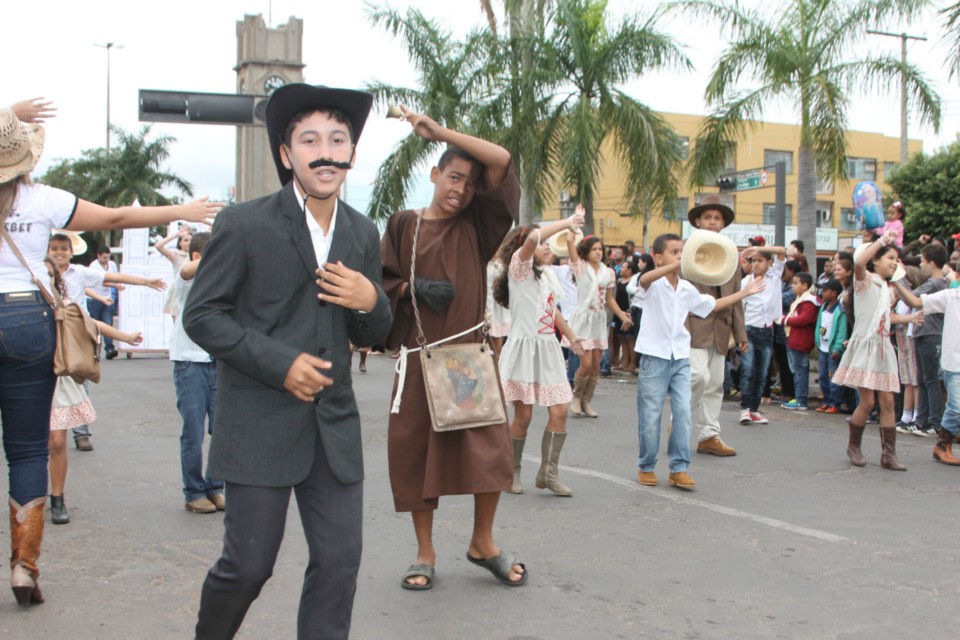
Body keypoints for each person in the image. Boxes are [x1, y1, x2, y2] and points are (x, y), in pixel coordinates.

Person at [184, 84, 392, 638]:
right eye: (310, 140)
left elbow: (374, 331)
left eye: (338, 139)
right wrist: (280, 364)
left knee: (339, 564)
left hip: (335, 428)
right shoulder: (244, 224)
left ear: (350, 153)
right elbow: (202, 316)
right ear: (286, 154)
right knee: (247, 566)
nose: (325, 152)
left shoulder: (362, 231)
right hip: (259, 422)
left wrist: (371, 301)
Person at [0, 97, 218, 607]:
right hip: (28, 320)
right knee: (29, 449)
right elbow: (119, 214)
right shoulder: (43, 201)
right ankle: (24, 566)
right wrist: (181, 212)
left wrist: (11, 110)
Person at [380, 108, 525, 591]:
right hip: (420, 360)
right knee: (416, 456)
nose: (461, 189)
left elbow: (502, 159)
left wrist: (438, 131)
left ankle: (483, 542)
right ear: (435, 174)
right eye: (454, 177)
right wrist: (411, 289)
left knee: (491, 452)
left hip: (468, 357)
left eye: (469, 183)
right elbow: (381, 283)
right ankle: (424, 553)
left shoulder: (478, 225)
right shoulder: (403, 224)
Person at [635, 234, 765, 490]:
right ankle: (646, 466)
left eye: (682, 252)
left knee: (683, 414)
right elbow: (645, 279)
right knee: (650, 416)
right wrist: (676, 266)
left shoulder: (686, 288)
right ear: (658, 257)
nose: (680, 256)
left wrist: (744, 292)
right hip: (654, 357)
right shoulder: (653, 284)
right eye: (674, 252)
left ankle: (679, 468)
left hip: (680, 357)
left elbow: (712, 305)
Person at [43, 257, 142, 526]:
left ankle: (57, 498)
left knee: (58, 442)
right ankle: (28, 497)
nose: (49, 280)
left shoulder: (66, 307)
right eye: (44, 275)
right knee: (30, 447)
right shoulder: (18, 305)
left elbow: (93, 325)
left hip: (58, 380)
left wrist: (126, 337)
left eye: (52, 276)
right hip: (24, 380)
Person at [47, 232, 167, 452]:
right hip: (46, 336)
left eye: (64, 249)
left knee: (78, 378)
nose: (59, 253)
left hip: (75, 331)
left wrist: (145, 281)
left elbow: (113, 279)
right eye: (54, 248)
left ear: (71, 252)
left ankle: (81, 432)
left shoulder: (79, 273)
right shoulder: (38, 274)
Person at [496, 214, 586, 497]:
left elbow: (553, 310)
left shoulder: (547, 274)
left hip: (549, 350)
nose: (547, 247)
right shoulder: (518, 270)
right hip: (524, 349)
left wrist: (571, 337)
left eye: (549, 244)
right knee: (523, 415)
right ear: (522, 248)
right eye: (542, 244)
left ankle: (548, 474)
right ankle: (511, 471)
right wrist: (567, 221)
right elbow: (532, 237)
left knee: (560, 410)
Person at [832, 229, 906, 470]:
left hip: (884, 348)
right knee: (867, 403)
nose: (894, 263)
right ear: (876, 260)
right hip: (866, 348)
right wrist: (882, 240)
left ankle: (889, 455)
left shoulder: (889, 288)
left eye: (896, 259)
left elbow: (884, 318)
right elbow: (858, 261)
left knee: (888, 402)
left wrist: (910, 317)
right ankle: (853, 447)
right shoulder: (864, 280)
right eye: (890, 258)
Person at [684, 195, 746, 458]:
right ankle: (679, 426)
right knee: (697, 376)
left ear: (723, 223)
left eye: (717, 218)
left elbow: (737, 295)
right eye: (707, 217)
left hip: (722, 328)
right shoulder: (688, 249)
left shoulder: (731, 253)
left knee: (716, 384)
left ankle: (709, 435)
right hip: (692, 326)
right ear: (698, 220)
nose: (712, 222)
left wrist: (740, 333)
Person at [167, 232, 223, 514]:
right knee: (193, 431)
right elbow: (187, 268)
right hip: (189, 361)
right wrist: (219, 257)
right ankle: (193, 491)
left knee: (222, 428)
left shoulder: (221, 281)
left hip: (217, 360)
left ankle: (216, 487)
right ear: (200, 256)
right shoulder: (187, 277)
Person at [567, 208, 633, 418]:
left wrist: (622, 315)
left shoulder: (609, 272)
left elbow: (609, 299)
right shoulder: (579, 267)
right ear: (586, 251)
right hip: (582, 320)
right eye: (594, 249)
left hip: (598, 320)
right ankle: (576, 396)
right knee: (585, 363)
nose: (598, 252)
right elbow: (570, 243)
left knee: (595, 365)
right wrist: (576, 222)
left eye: (600, 249)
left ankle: (587, 401)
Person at [894, 264, 960, 465]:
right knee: (956, 407)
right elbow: (914, 300)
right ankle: (942, 445)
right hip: (955, 362)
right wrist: (896, 278)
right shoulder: (950, 296)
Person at [900, 244, 948, 438]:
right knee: (922, 378)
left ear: (932, 263)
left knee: (930, 380)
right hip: (923, 333)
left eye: (923, 261)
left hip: (931, 334)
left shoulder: (936, 284)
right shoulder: (934, 283)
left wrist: (898, 279)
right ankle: (922, 421)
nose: (921, 265)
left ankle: (934, 423)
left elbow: (912, 299)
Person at [737, 245, 786, 426]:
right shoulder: (745, 282)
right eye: (753, 261)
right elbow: (739, 309)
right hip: (749, 329)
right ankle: (745, 409)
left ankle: (754, 409)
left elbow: (782, 250)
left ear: (769, 262)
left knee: (762, 372)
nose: (755, 264)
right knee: (748, 369)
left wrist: (758, 247)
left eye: (759, 260)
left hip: (767, 330)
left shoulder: (774, 277)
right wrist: (739, 334)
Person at [778, 272, 820, 410]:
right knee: (795, 370)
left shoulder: (809, 301)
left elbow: (804, 319)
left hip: (800, 339)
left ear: (805, 285)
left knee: (800, 369)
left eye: (796, 283)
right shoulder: (799, 299)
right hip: (792, 338)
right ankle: (798, 397)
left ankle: (801, 400)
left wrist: (784, 319)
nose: (792, 286)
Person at [814, 279, 847, 414]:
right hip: (823, 347)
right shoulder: (823, 307)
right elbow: (819, 325)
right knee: (822, 376)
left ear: (834, 293)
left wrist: (837, 348)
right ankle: (826, 401)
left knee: (833, 376)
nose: (822, 292)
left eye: (825, 290)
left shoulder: (840, 311)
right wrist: (817, 340)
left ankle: (835, 403)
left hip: (832, 349)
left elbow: (841, 331)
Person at [86, 245, 121, 359]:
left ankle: (109, 348)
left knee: (107, 323)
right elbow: (100, 282)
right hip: (95, 298)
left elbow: (115, 277)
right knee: (95, 325)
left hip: (108, 297)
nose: (106, 260)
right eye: (104, 258)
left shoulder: (112, 265)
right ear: (98, 256)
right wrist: (114, 285)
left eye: (108, 257)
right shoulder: (93, 266)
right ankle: (94, 348)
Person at [153, 225, 192, 322]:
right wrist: (175, 235)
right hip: (178, 292)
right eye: (185, 240)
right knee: (177, 325)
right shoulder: (175, 255)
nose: (188, 243)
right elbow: (158, 246)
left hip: (192, 291)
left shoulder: (196, 257)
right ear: (180, 242)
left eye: (191, 240)